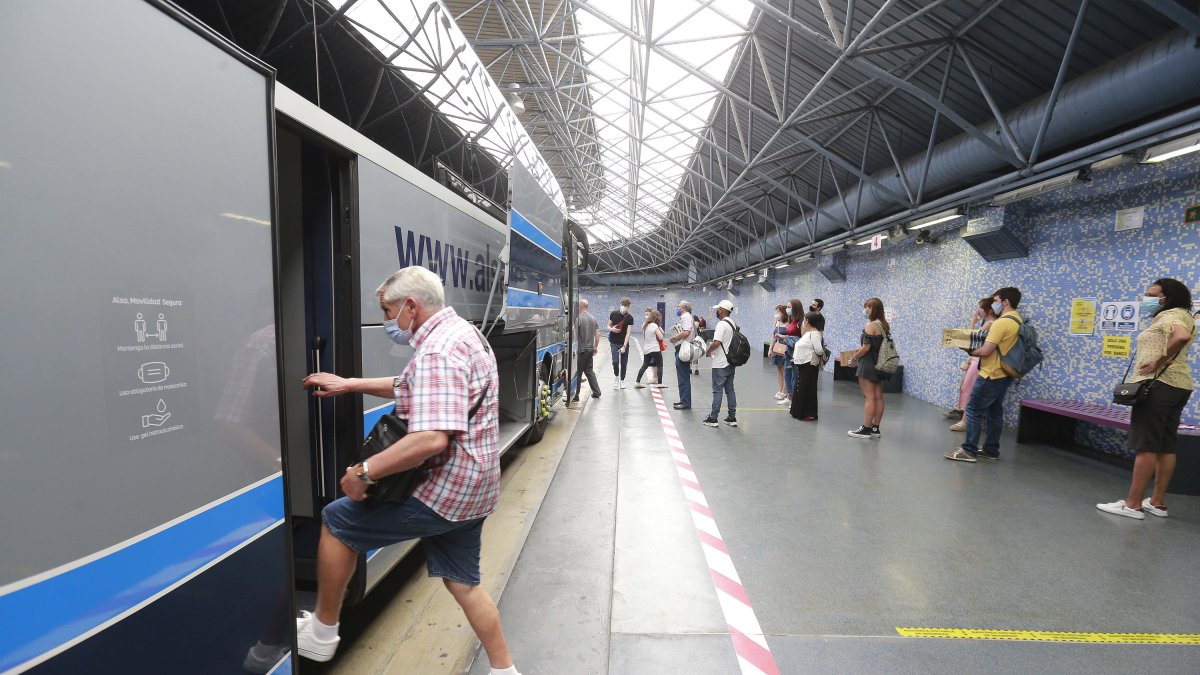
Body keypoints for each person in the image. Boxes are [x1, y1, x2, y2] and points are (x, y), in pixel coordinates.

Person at [297, 267, 520, 675]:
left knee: (337, 521)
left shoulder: (436, 351)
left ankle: (322, 632)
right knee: (464, 583)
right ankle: (504, 671)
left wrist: (363, 472)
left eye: (387, 311)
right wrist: (350, 384)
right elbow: (415, 384)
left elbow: (430, 440)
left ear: (411, 307)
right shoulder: (464, 334)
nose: (386, 321)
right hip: (477, 488)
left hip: (446, 490)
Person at [1097, 278, 1196, 519]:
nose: (1146, 298)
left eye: (1151, 294)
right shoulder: (1185, 315)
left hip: (1157, 386)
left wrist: (1157, 361)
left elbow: (1180, 336)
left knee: (1147, 445)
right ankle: (1157, 502)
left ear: (1166, 297)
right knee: (1165, 445)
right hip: (1179, 385)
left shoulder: (1169, 315)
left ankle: (1132, 505)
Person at [945, 287, 1023, 463]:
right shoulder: (1017, 320)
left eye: (995, 300)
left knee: (973, 409)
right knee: (994, 412)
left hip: (991, 373)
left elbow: (987, 350)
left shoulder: (1001, 322)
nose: (993, 304)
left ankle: (969, 451)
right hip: (1005, 373)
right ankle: (991, 450)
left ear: (1005, 302)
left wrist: (970, 351)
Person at [949, 298, 997, 431]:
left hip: (979, 360)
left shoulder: (990, 323)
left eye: (980, 308)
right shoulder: (989, 323)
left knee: (969, 388)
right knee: (968, 387)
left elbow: (970, 339)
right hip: (977, 359)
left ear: (988, 310)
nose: (978, 311)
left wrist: (973, 321)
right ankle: (969, 419)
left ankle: (965, 421)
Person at [845, 298, 890, 439]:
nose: (865, 310)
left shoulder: (870, 325)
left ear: (873, 309)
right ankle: (875, 428)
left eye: (867, 308)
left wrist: (853, 358)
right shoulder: (884, 325)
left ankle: (866, 428)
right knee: (878, 397)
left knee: (869, 397)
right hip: (880, 364)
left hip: (868, 365)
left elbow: (866, 347)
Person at [703, 299, 738, 428]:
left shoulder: (721, 324)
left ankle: (713, 418)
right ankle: (731, 417)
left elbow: (716, 342)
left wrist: (708, 351)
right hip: (730, 362)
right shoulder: (733, 323)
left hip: (720, 362)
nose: (717, 311)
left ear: (722, 310)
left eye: (718, 309)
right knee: (730, 389)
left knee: (717, 391)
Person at [790, 311, 825, 421]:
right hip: (803, 365)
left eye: (804, 319)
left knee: (807, 389)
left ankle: (808, 413)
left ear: (807, 321)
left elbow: (819, 350)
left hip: (809, 365)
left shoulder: (815, 334)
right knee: (800, 387)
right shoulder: (808, 334)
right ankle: (797, 411)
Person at [573, 299, 601, 401]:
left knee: (578, 373)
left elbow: (574, 335)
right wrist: (595, 347)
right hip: (589, 349)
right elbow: (598, 334)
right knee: (589, 371)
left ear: (580, 307)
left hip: (581, 350)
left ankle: (576, 396)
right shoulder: (593, 318)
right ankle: (597, 392)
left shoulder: (578, 318)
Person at [670, 300, 696, 409]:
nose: (677, 308)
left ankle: (685, 402)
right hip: (683, 347)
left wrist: (674, 338)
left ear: (683, 308)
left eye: (678, 307)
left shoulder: (686, 317)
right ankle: (683, 400)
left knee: (683, 376)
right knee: (682, 376)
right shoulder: (686, 317)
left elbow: (686, 332)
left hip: (683, 348)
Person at [634, 308, 668, 388]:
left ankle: (637, 382)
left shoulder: (645, 325)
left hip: (646, 348)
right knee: (660, 365)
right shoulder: (654, 325)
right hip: (654, 348)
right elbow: (661, 337)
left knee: (645, 365)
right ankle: (660, 383)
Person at [607, 297, 634, 389]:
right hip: (614, 343)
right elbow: (608, 325)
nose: (623, 307)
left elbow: (628, 333)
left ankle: (622, 380)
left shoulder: (630, 318)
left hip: (624, 343)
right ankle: (616, 377)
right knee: (615, 362)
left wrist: (624, 346)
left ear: (628, 307)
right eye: (622, 305)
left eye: (625, 306)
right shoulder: (613, 314)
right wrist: (611, 329)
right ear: (620, 304)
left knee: (623, 363)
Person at [769, 304, 789, 401]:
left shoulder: (789, 323)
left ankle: (784, 392)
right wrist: (770, 349)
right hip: (777, 348)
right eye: (776, 311)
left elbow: (791, 337)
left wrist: (782, 336)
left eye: (778, 312)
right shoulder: (776, 322)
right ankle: (780, 389)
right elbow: (773, 337)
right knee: (779, 369)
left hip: (785, 348)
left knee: (785, 370)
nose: (777, 314)